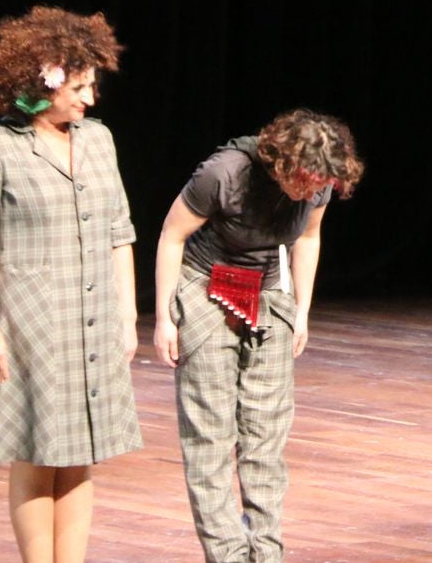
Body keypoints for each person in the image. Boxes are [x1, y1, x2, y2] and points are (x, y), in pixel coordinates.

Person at [0, 6, 141, 562]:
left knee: (80, 452)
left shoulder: (99, 141)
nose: (90, 99)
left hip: (92, 318)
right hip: (30, 321)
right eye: (80, 87)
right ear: (46, 81)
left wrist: (127, 317)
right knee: (36, 453)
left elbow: (119, 233)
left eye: (91, 86)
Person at [153, 108, 363, 562]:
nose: (312, 191)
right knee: (209, 433)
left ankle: (265, 554)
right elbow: (172, 236)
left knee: (265, 434)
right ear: (282, 164)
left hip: (267, 291)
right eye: (305, 180)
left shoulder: (319, 183)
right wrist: (164, 318)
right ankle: (227, 555)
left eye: (320, 184)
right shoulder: (225, 173)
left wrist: (301, 312)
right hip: (205, 286)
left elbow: (308, 239)